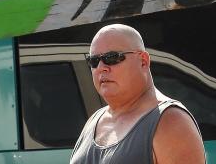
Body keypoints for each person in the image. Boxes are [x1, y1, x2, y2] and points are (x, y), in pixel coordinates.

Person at [70, 24, 205, 164]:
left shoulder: (171, 121)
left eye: (112, 58)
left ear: (143, 61)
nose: (101, 68)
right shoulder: (94, 121)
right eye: (94, 61)